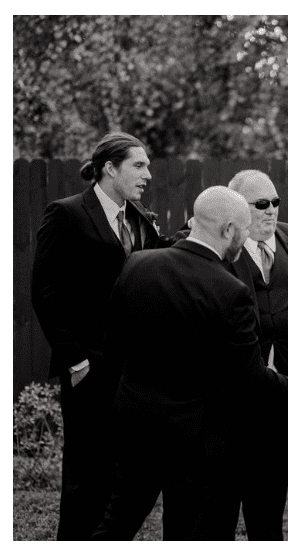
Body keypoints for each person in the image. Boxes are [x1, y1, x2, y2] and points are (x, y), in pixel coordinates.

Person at [92, 186, 288, 540]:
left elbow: (112, 348)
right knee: (189, 530)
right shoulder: (229, 290)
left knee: (117, 522)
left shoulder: (138, 264)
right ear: (229, 230)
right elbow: (251, 379)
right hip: (194, 439)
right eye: (245, 229)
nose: (247, 237)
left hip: (136, 424)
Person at [31, 131, 173, 540]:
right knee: (87, 480)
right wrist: (76, 361)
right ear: (109, 168)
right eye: (138, 165)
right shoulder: (67, 213)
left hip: (134, 372)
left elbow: (157, 260)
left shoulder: (139, 217)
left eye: (148, 166)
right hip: (89, 371)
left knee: (123, 479)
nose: (148, 174)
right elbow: (45, 292)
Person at [224, 170, 288, 540]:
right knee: (226, 493)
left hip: (284, 390)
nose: (271, 210)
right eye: (261, 204)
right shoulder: (222, 245)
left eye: (275, 202)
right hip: (235, 393)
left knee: (272, 492)